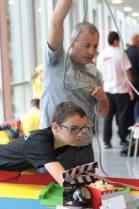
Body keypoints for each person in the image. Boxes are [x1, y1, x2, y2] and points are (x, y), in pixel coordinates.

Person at [40, 0, 109, 169]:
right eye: (87, 46)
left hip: (84, 147)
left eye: (95, 46)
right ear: (72, 41)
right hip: (55, 146)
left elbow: (102, 112)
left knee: (85, 193)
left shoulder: (94, 72)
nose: (92, 52)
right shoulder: (56, 61)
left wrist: (102, 99)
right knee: (55, 194)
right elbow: (56, 20)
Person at [0, 102, 90, 185]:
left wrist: (30, 164)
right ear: (55, 127)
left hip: (11, 171)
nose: (80, 134)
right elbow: (64, 180)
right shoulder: (40, 142)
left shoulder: (64, 141)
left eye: (83, 129)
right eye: (74, 129)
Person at [96, 31, 134, 148]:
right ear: (116, 41)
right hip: (122, 90)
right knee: (122, 116)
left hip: (107, 90)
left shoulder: (101, 55)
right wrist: (131, 90)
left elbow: (99, 74)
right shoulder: (121, 54)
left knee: (108, 116)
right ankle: (123, 139)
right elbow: (127, 73)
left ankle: (106, 141)